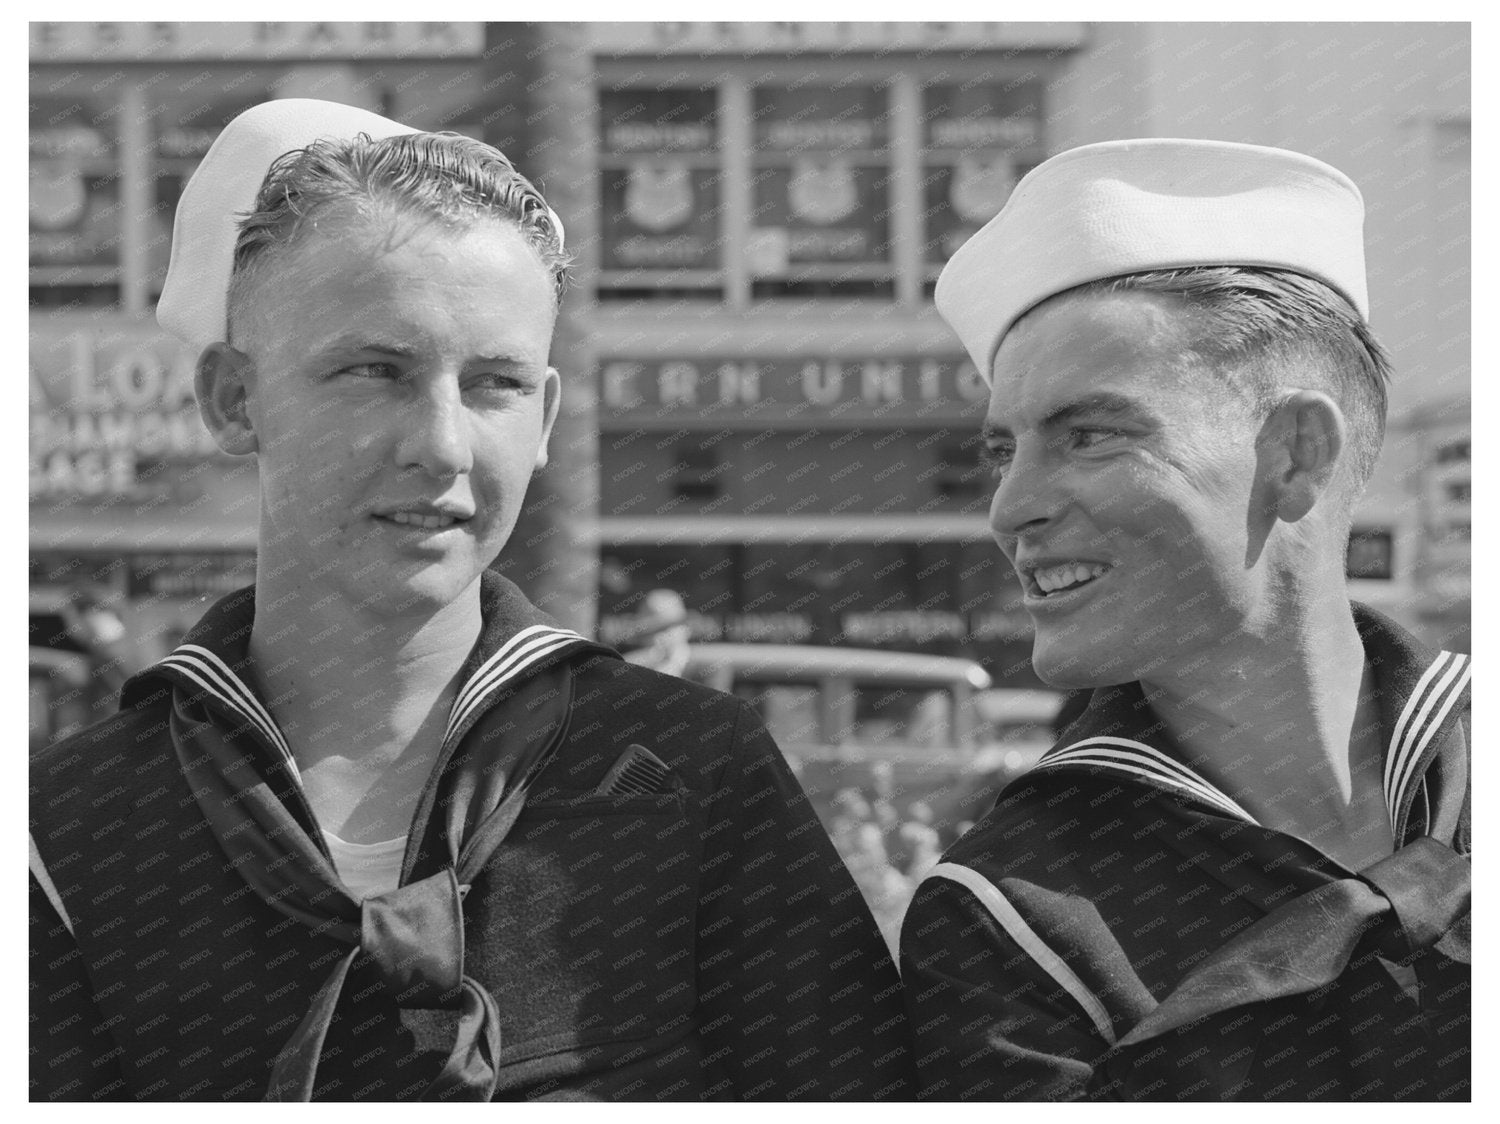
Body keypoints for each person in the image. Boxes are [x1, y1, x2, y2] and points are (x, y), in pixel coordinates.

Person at [30, 99, 912, 1103]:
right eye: (375, 370)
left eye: (494, 383)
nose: (443, 444)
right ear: (234, 398)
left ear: (545, 419)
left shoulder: (688, 776)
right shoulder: (71, 831)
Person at [900, 139, 1469, 1101]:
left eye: (1089, 436)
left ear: (1295, 455)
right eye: (1004, 452)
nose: (1010, 507)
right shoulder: (1016, 917)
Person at [616, 588, 692, 676]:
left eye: (668, 628)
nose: (665, 635)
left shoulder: (687, 656)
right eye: (662, 629)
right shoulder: (629, 664)